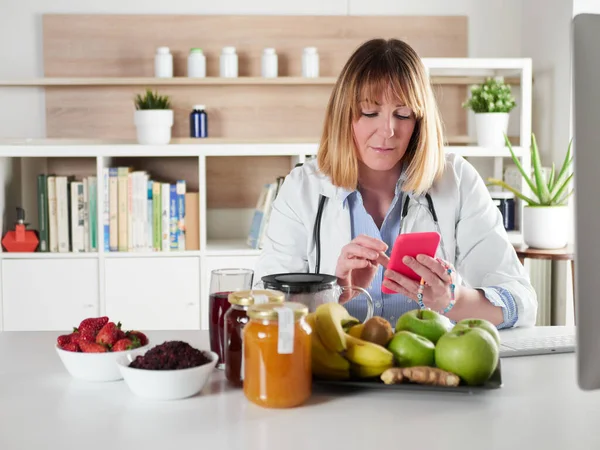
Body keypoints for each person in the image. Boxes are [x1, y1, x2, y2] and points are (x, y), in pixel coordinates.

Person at [254, 38, 537, 329]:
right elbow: (262, 306)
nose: (387, 131)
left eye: (402, 114)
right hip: (333, 367)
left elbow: (522, 303)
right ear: (344, 116)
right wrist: (333, 292)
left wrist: (451, 301)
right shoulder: (302, 188)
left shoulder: (457, 180)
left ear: (419, 121)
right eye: (369, 112)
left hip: (431, 368)